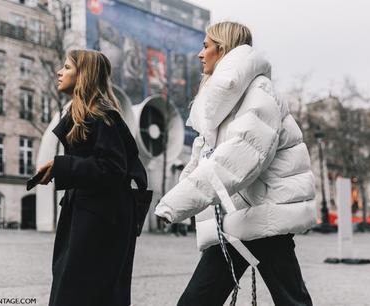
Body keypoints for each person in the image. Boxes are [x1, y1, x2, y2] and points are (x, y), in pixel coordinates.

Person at [155, 21, 317, 306]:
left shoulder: (258, 92)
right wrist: (176, 199)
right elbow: (202, 159)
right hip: (238, 217)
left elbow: (240, 157)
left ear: (223, 49)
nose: (199, 54)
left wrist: (175, 203)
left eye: (206, 46)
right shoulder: (222, 102)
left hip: (263, 215)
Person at [37, 49, 148, 306]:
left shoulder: (101, 115)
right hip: (89, 216)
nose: (59, 72)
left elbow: (112, 167)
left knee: (81, 292)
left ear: (83, 74)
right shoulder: (85, 114)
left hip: (100, 223)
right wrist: (60, 168)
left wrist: (63, 167)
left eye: (66, 67)